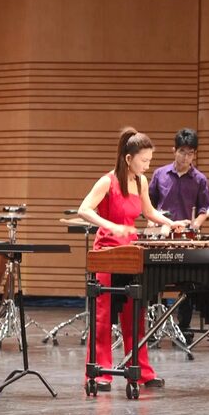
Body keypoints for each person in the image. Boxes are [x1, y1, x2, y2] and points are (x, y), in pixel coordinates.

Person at [78, 127, 186, 392]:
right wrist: (111, 226)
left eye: (149, 161)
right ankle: (100, 373)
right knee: (103, 317)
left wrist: (171, 223)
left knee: (134, 316)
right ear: (128, 158)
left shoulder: (141, 182)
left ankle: (140, 371)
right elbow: (84, 209)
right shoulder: (108, 181)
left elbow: (148, 211)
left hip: (131, 253)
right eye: (144, 161)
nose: (147, 166)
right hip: (106, 253)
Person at [148, 128, 209, 342]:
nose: (186, 157)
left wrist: (194, 226)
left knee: (188, 284)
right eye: (182, 152)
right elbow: (148, 205)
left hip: (185, 240)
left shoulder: (200, 179)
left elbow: (204, 209)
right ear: (173, 150)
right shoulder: (159, 174)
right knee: (151, 283)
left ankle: (183, 329)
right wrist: (153, 220)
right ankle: (151, 327)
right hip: (162, 239)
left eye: (191, 153)